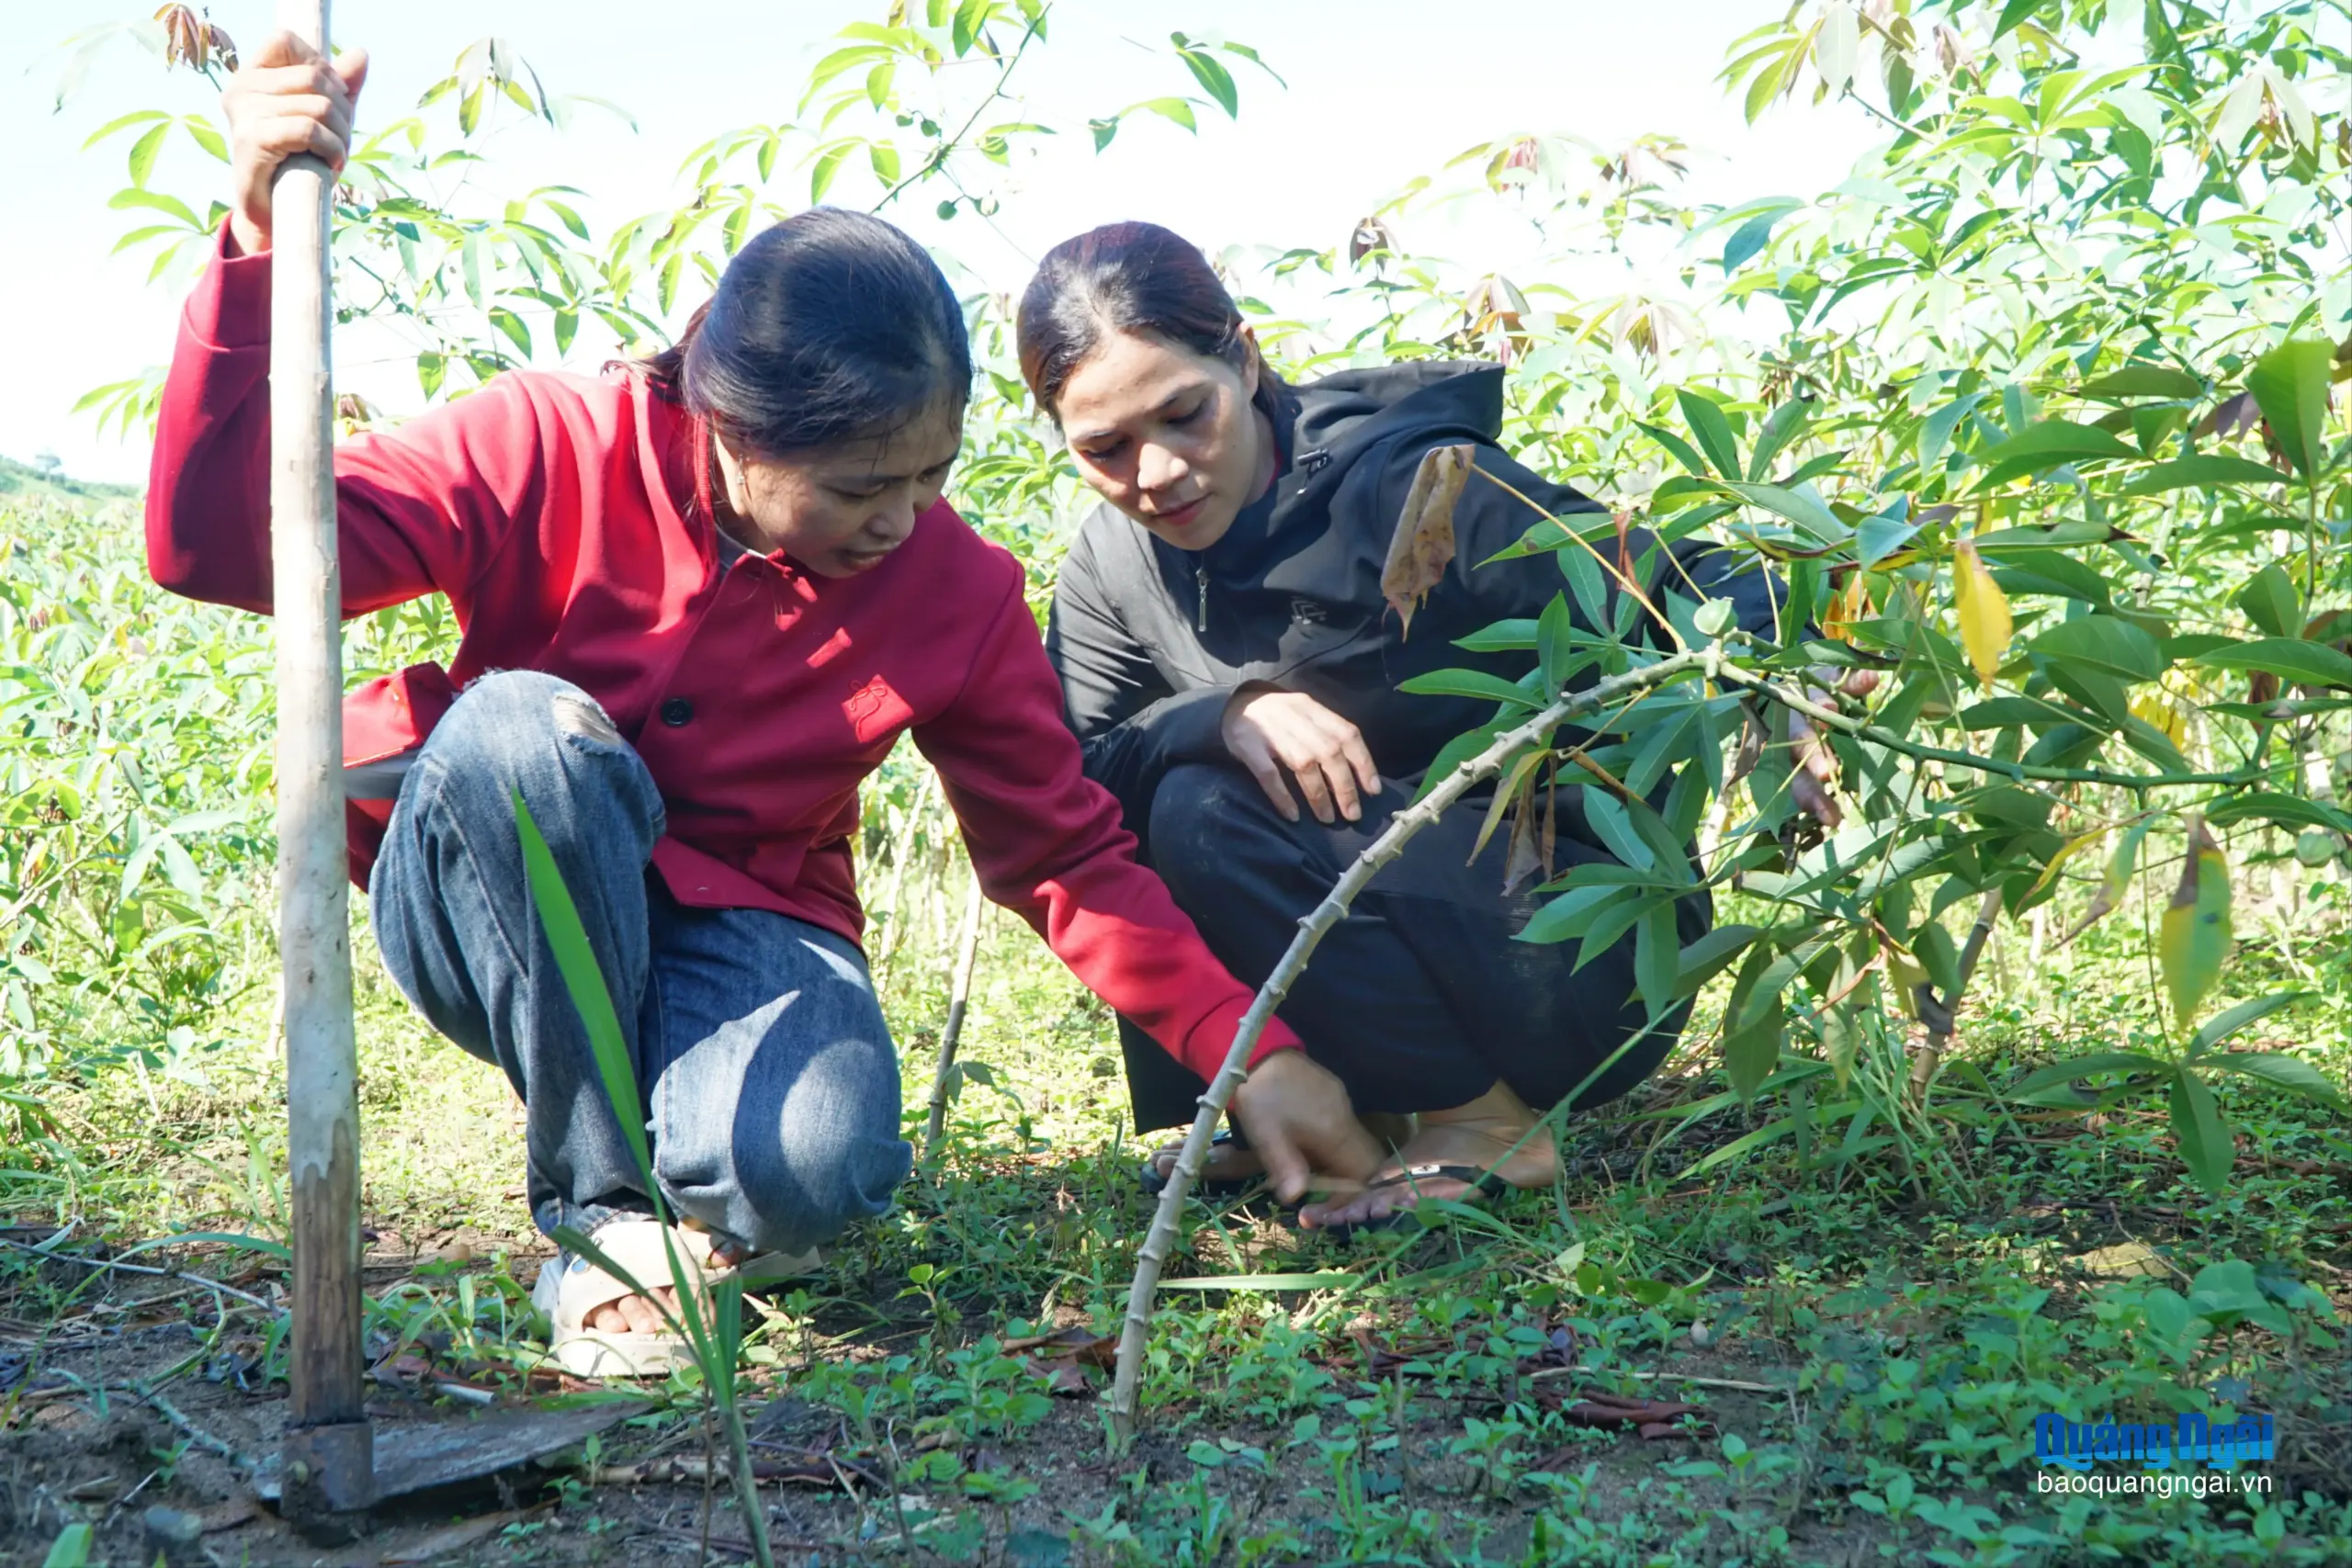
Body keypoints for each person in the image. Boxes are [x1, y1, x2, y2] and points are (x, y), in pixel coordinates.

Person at [148, 39, 1384, 1374]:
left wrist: (1252, 1053)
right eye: (860, 484)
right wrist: (261, 223)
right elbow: (219, 544)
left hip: (749, 917)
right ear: (729, 425)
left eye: (931, 471)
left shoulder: (954, 587)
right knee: (529, 733)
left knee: (819, 1171)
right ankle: (608, 1221)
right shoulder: (548, 443)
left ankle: (702, 1204)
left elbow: (1062, 856)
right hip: (497, 883)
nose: (900, 518)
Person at [1020, 222, 1790, 1233]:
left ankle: (1477, 1124)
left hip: (1573, 949)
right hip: (1390, 949)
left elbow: (1695, 583)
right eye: (1104, 449)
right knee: (1176, 783)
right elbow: (1065, 792)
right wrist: (1222, 712)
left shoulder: (1417, 487)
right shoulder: (1112, 564)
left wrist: (1791, 689)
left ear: (1243, 360)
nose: (1155, 473)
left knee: (1201, 806)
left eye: (1183, 415)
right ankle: (1337, 1107)